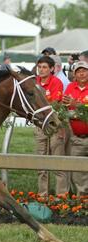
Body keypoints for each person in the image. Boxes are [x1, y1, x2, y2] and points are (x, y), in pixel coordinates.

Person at [34, 56, 69, 196]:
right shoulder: (34, 82)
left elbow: (53, 105)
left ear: (52, 69)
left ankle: (62, 198)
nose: (41, 70)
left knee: (58, 163)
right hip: (39, 126)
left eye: (44, 67)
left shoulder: (57, 82)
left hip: (55, 125)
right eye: (39, 67)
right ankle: (43, 196)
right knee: (41, 163)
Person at [62, 61, 88, 195]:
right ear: (74, 74)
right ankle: (82, 202)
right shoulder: (70, 87)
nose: (82, 73)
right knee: (77, 172)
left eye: (84, 70)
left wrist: (75, 104)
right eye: (78, 71)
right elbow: (65, 105)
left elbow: (73, 105)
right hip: (77, 138)